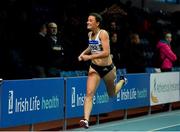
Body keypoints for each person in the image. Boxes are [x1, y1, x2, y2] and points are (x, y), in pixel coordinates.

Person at [78, 12, 127, 129]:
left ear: (97, 23)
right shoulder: (90, 34)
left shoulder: (103, 33)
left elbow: (106, 53)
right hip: (95, 68)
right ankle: (86, 120)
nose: (87, 22)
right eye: (87, 20)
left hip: (108, 69)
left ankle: (123, 81)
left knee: (112, 93)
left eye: (90, 20)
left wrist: (88, 57)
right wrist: (82, 54)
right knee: (89, 94)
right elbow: (91, 46)